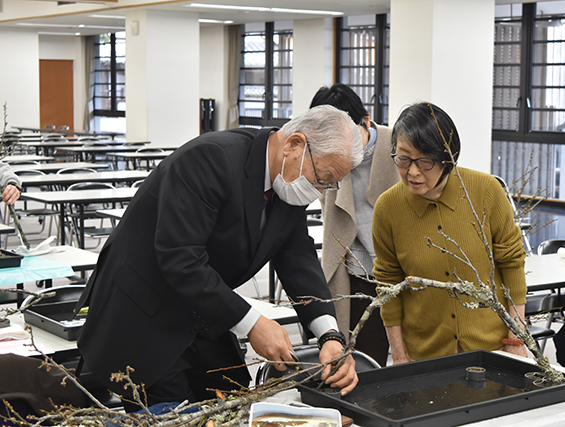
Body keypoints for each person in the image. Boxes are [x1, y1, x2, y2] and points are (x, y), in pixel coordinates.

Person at [75, 105, 363, 410]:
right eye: (323, 178)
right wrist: (253, 324)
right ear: (294, 144)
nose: (319, 192)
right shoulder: (211, 158)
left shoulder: (288, 181)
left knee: (232, 398)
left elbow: (297, 257)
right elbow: (181, 258)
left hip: (202, 309)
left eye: (329, 185)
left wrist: (329, 335)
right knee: (172, 413)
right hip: (144, 315)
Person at [372, 102, 528, 365]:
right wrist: (398, 356)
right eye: (403, 159)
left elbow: (512, 264)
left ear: (448, 157)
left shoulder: (486, 191)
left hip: (493, 349)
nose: (412, 172)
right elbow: (389, 285)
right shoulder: (388, 208)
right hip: (425, 355)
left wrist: (516, 340)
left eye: (425, 161)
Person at [310, 84, 399, 367]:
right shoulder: (332, 161)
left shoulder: (397, 145)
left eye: (348, 136)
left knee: (411, 360)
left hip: (402, 273)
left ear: (366, 121)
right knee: (364, 363)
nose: (343, 148)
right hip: (360, 276)